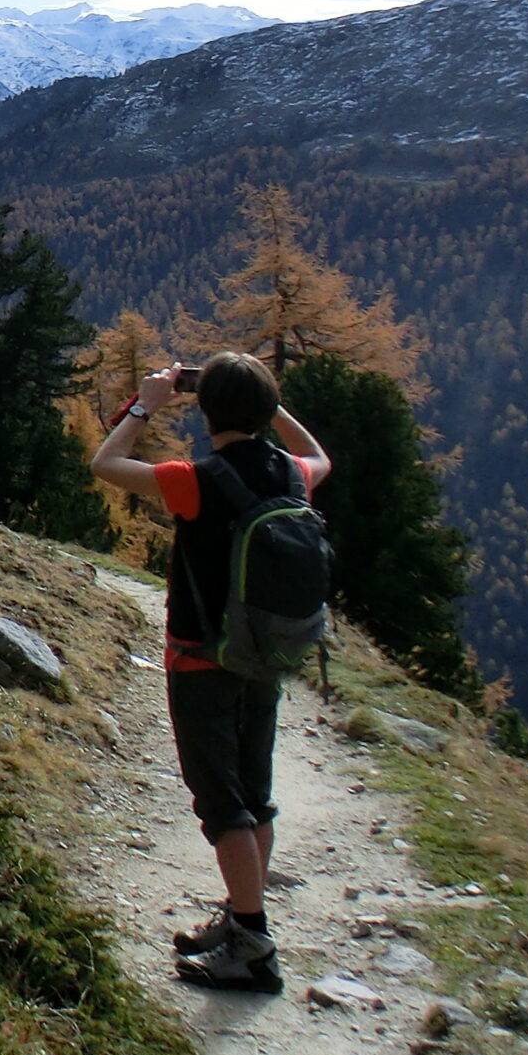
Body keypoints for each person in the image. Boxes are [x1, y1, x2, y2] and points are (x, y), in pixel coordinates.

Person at [92, 349, 332, 994]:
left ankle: (252, 945)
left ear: (207, 409)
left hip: (200, 657)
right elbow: (322, 457)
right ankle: (241, 918)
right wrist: (271, 405)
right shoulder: (292, 477)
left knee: (222, 806)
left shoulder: (196, 479)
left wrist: (146, 403)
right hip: (265, 655)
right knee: (255, 794)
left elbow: (106, 463)